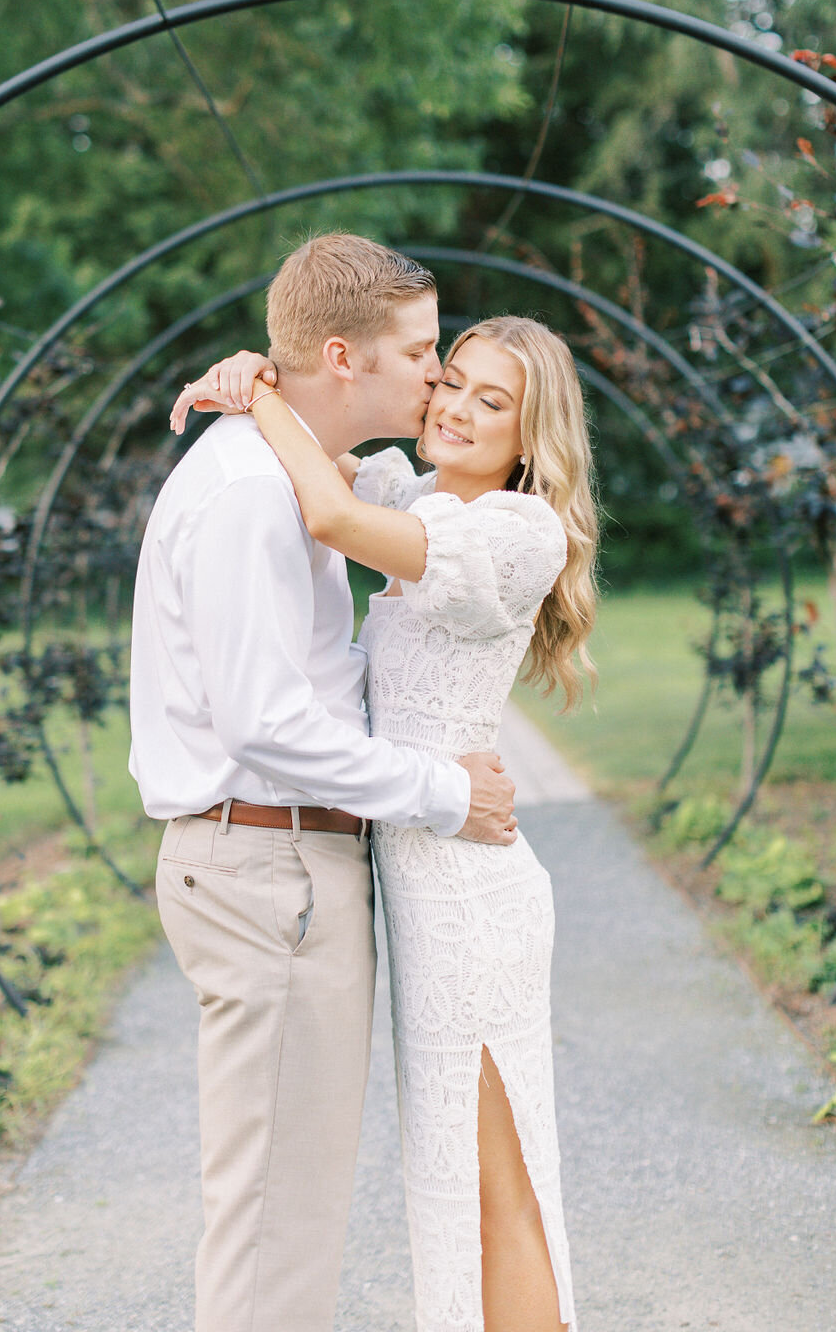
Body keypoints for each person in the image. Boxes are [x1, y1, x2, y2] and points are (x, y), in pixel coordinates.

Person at [173, 311, 598, 1332]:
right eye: (448, 379)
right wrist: (257, 372)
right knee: (447, 1176)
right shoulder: (427, 498)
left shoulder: (513, 529)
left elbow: (326, 509)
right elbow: (331, 452)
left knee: (496, 1178)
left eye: (488, 401)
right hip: (421, 877)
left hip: (470, 896)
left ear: (530, 436)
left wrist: (259, 396)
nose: (450, 406)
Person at [129, 233, 518, 1332]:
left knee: (281, 1211)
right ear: (342, 356)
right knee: (273, 1226)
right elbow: (269, 722)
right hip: (270, 863)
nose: (437, 376)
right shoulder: (252, 489)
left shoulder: (282, 467)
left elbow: (315, 661)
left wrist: (257, 386)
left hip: (275, 864)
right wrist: (445, 789)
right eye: (421, 351)